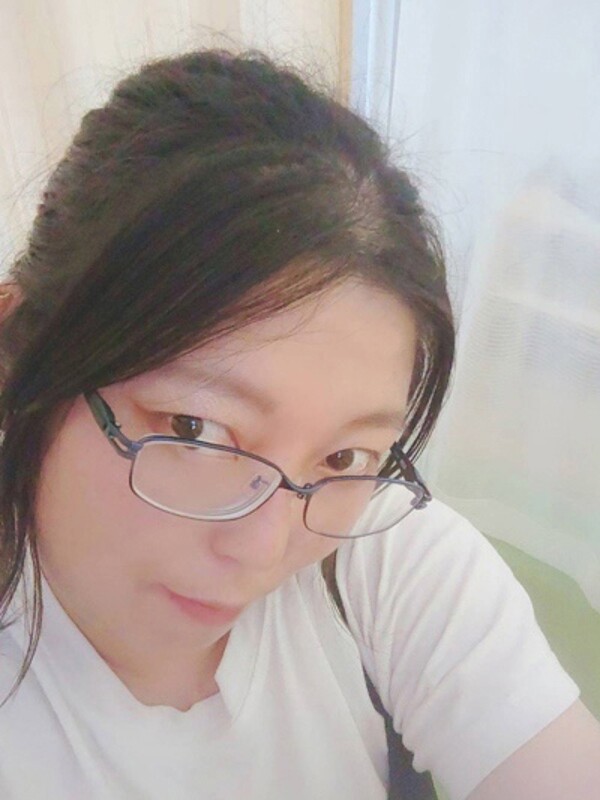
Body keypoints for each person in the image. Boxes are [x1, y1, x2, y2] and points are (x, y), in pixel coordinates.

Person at [0, 49, 598, 800]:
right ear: (15, 350)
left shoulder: (380, 561)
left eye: (344, 457)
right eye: (195, 429)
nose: (264, 549)